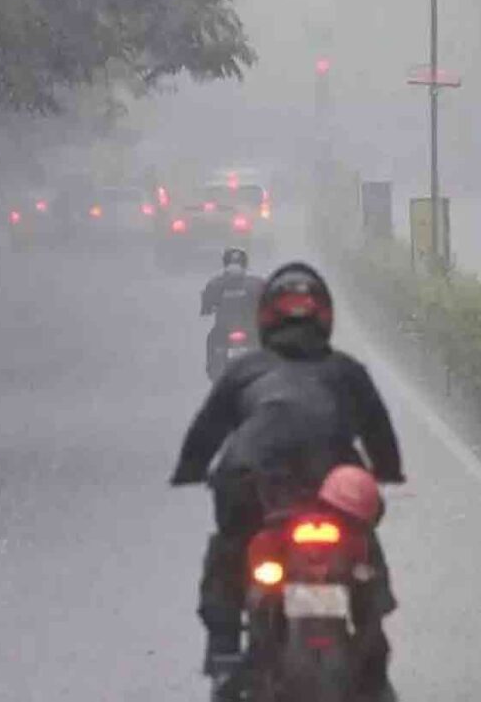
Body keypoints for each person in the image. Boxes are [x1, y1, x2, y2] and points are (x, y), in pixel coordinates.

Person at [170, 262, 405, 702]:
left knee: (229, 553)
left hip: (254, 487)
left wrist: (189, 470)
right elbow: (380, 434)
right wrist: (388, 471)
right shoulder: (348, 371)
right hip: (335, 490)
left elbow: (205, 434)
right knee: (364, 554)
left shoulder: (244, 371)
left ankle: (223, 653)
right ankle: (373, 661)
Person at [201, 247, 264, 379]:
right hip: (250, 330)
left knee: (212, 340)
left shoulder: (215, 284)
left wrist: (206, 309)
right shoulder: (257, 283)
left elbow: (206, 306)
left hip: (223, 330)